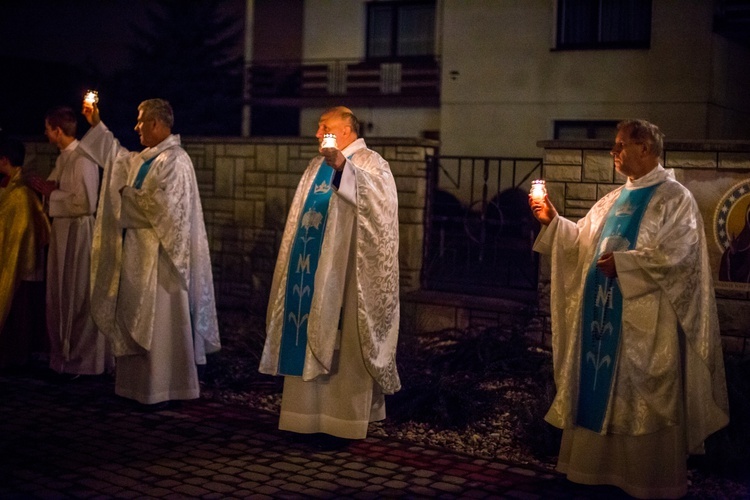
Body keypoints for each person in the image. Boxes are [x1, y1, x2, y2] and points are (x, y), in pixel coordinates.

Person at [529, 119, 730, 498]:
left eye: (621, 145)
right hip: (601, 324)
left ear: (646, 149)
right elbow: (583, 242)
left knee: (641, 400)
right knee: (598, 391)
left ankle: (647, 481)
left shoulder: (675, 199)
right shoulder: (613, 200)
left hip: (645, 324)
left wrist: (626, 265)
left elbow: (681, 258)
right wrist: (553, 222)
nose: (614, 152)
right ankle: (592, 473)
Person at [259, 106, 401, 444]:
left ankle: (342, 423)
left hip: (347, 277)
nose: (317, 132)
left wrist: (342, 167)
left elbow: (380, 209)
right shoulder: (313, 167)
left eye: (324, 126)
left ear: (348, 130)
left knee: (345, 341)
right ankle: (303, 419)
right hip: (309, 275)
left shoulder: (371, 163)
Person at [78, 98, 220, 406]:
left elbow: (167, 208)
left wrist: (127, 197)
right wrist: (96, 125)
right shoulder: (146, 159)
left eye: (140, 121)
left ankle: (168, 388)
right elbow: (115, 158)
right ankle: (136, 388)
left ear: (156, 123)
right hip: (138, 255)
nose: (136, 126)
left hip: (163, 260)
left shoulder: (176, 161)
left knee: (163, 325)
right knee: (135, 318)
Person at [28, 106, 110, 377]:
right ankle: (62, 357)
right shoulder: (64, 158)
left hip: (78, 233)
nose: (44, 133)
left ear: (58, 131)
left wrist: (54, 194)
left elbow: (86, 202)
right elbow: (55, 190)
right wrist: (48, 191)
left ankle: (81, 361)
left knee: (77, 294)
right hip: (63, 232)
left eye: (47, 128)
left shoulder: (83, 158)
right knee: (60, 294)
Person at [0, 136, 50, 369]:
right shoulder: (12, 187)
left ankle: (16, 356)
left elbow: (20, 233)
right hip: (16, 262)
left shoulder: (20, 193)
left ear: (4, 160)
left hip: (23, 266)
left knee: (20, 313)